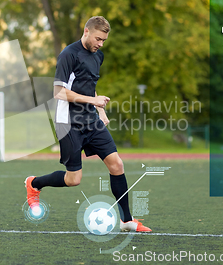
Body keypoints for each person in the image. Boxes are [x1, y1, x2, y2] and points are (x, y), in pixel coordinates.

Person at [25, 16, 151, 232]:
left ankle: (127, 220)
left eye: (104, 40)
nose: (100, 44)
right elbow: (59, 92)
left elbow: (89, 85)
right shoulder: (68, 54)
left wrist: (99, 110)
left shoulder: (97, 56)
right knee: (74, 180)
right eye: (98, 38)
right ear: (86, 31)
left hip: (91, 120)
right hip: (68, 123)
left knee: (117, 165)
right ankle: (34, 183)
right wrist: (94, 101)